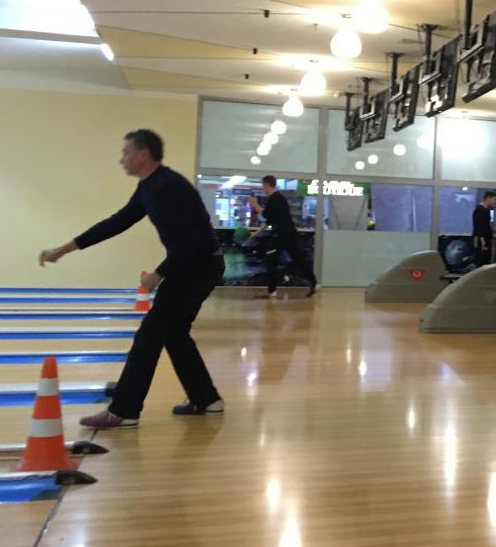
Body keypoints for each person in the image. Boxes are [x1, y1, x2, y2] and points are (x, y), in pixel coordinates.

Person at [38, 129, 225, 428]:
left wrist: (159, 273)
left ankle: (124, 410)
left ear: (143, 154)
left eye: (126, 152)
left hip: (197, 266)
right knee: (174, 333)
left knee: (150, 335)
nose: (121, 158)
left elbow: (190, 241)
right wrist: (64, 249)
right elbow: (117, 222)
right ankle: (206, 398)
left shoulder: (168, 187)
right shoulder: (150, 186)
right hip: (197, 265)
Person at [249, 175, 317, 299]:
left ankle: (271, 290)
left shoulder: (276, 198)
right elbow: (270, 220)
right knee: (298, 260)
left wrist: (255, 204)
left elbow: (266, 214)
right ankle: (313, 283)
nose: (262, 189)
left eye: (263, 186)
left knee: (272, 260)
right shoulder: (276, 199)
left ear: (267, 185)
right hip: (289, 235)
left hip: (282, 236)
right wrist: (256, 233)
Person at [471, 191, 496, 267]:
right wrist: (482, 240)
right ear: (488, 198)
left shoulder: (488, 210)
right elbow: (478, 226)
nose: (495, 201)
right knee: (480, 259)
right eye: (494, 199)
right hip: (481, 239)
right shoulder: (479, 210)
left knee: (487, 259)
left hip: (487, 238)